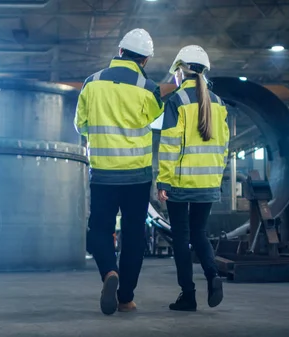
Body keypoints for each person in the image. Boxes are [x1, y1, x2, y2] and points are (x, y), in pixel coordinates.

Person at [74, 28, 164, 315]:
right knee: (134, 234)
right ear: (146, 60)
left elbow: (81, 126)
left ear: (120, 51)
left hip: (103, 173)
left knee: (98, 230)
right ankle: (125, 297)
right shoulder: (149, 89)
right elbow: (157, 123)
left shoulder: (92, 82)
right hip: (137, 175)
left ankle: (109, 273)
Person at [156, 45, 230, 311]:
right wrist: (215, 179)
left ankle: (188, 295)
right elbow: (224, 148)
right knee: (199, 233)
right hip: (208, 182)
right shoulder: (218, 103)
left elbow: (169, 145)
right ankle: (213, 275)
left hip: (180, 182)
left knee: (181, 237)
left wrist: (163, 181)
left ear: (179, 71)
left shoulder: (177, 100)